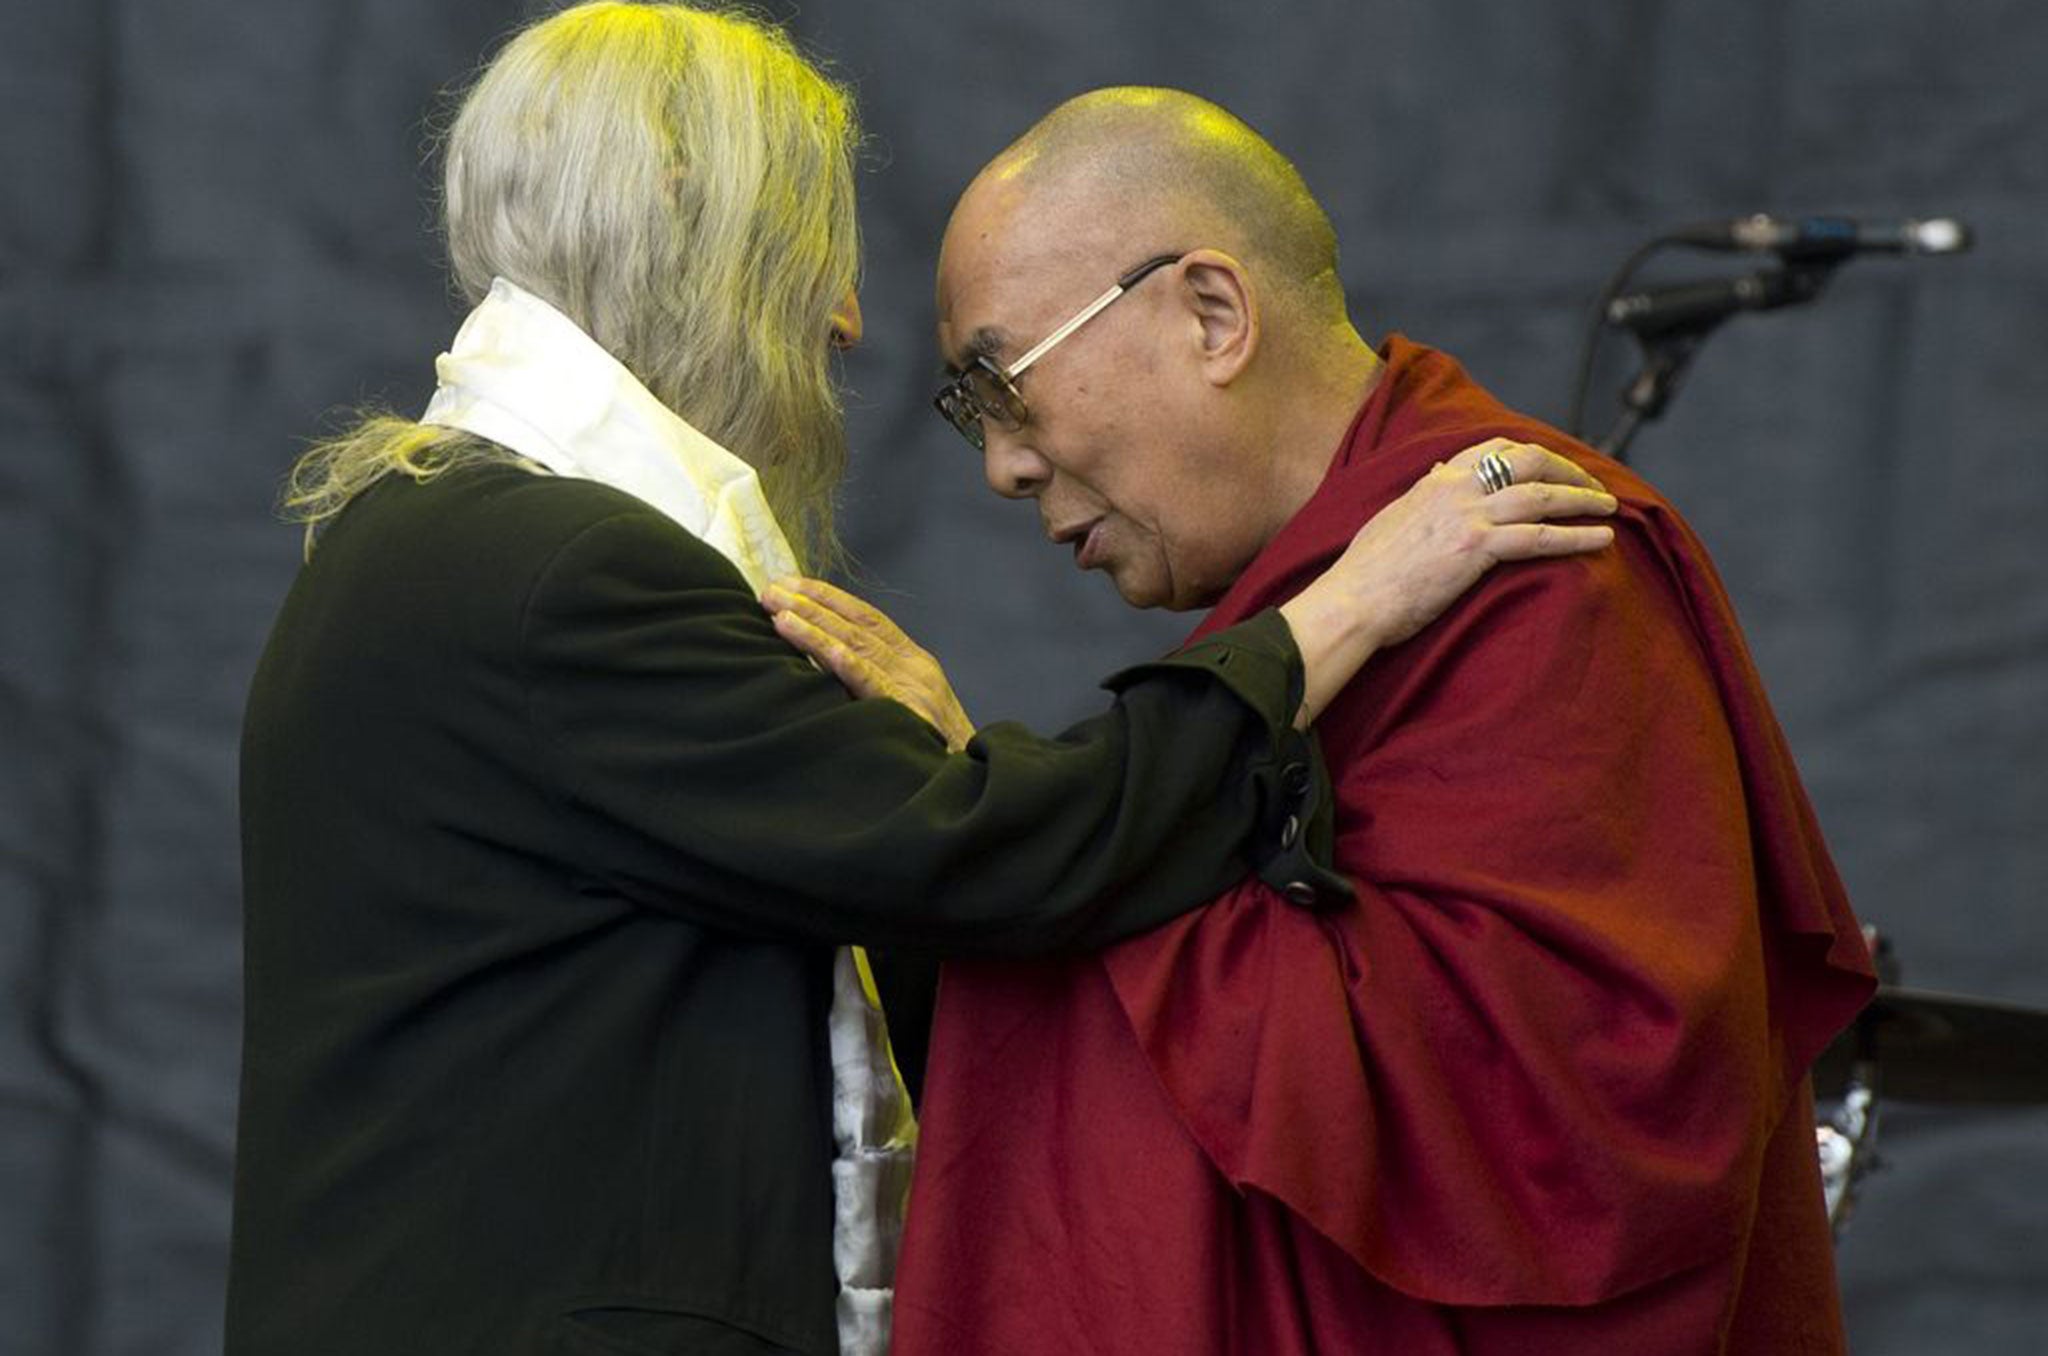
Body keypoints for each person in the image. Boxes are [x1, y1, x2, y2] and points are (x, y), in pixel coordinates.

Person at [223, 11, 1618, 1356]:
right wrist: (1341, 613)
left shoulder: (441, 539)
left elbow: (915, 867)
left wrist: (941, 775)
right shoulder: (555, 566)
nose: (840, 325)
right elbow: (981, 864)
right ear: (699, 247)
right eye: (812, 261)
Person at [781, 87, 1876, 1355]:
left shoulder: (1535, 558)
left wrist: (1023, 853)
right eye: (971, 415)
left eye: (998, 384)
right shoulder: (1321, 597)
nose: (1002, 467)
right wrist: (1006, 823)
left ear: (1210, 313)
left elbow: (1560, 1116)